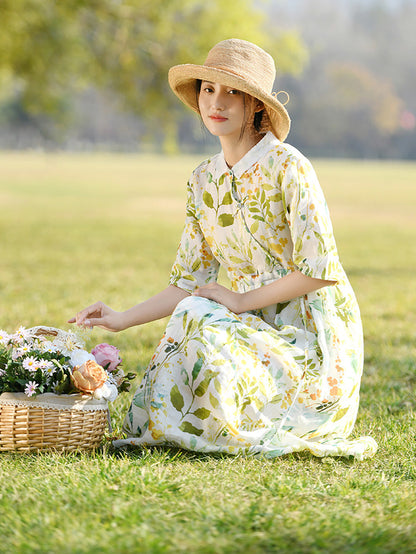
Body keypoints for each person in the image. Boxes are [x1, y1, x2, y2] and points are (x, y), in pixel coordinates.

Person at [69, 39, 377, 459]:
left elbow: (320, 269)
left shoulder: (290, 166)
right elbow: (188, 282)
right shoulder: (202, 180)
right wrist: (121, 319)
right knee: (193, 310)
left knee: (201, 312)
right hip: (251, 325)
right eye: (209, 89)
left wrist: (240, 299)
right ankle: (171, 423)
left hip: (311, 338)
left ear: (256, 105)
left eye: (233, 91)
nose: (217, 101)